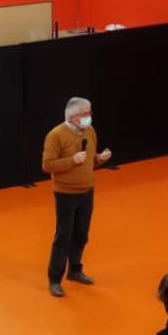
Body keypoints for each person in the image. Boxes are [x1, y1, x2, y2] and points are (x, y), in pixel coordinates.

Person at [41, 96, 111, 296]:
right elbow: (47, 165)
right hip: (65, 193)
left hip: (87, 191)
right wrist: (72, 160)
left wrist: (99, 159)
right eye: (85, 114)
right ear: (72, 117)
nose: (89, 117)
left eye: (90, 113)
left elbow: (89, 161)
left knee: (81, 234)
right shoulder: (55, 136)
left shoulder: (90, 131)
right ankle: (54, 279)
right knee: (63, 236)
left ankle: (75, 270)